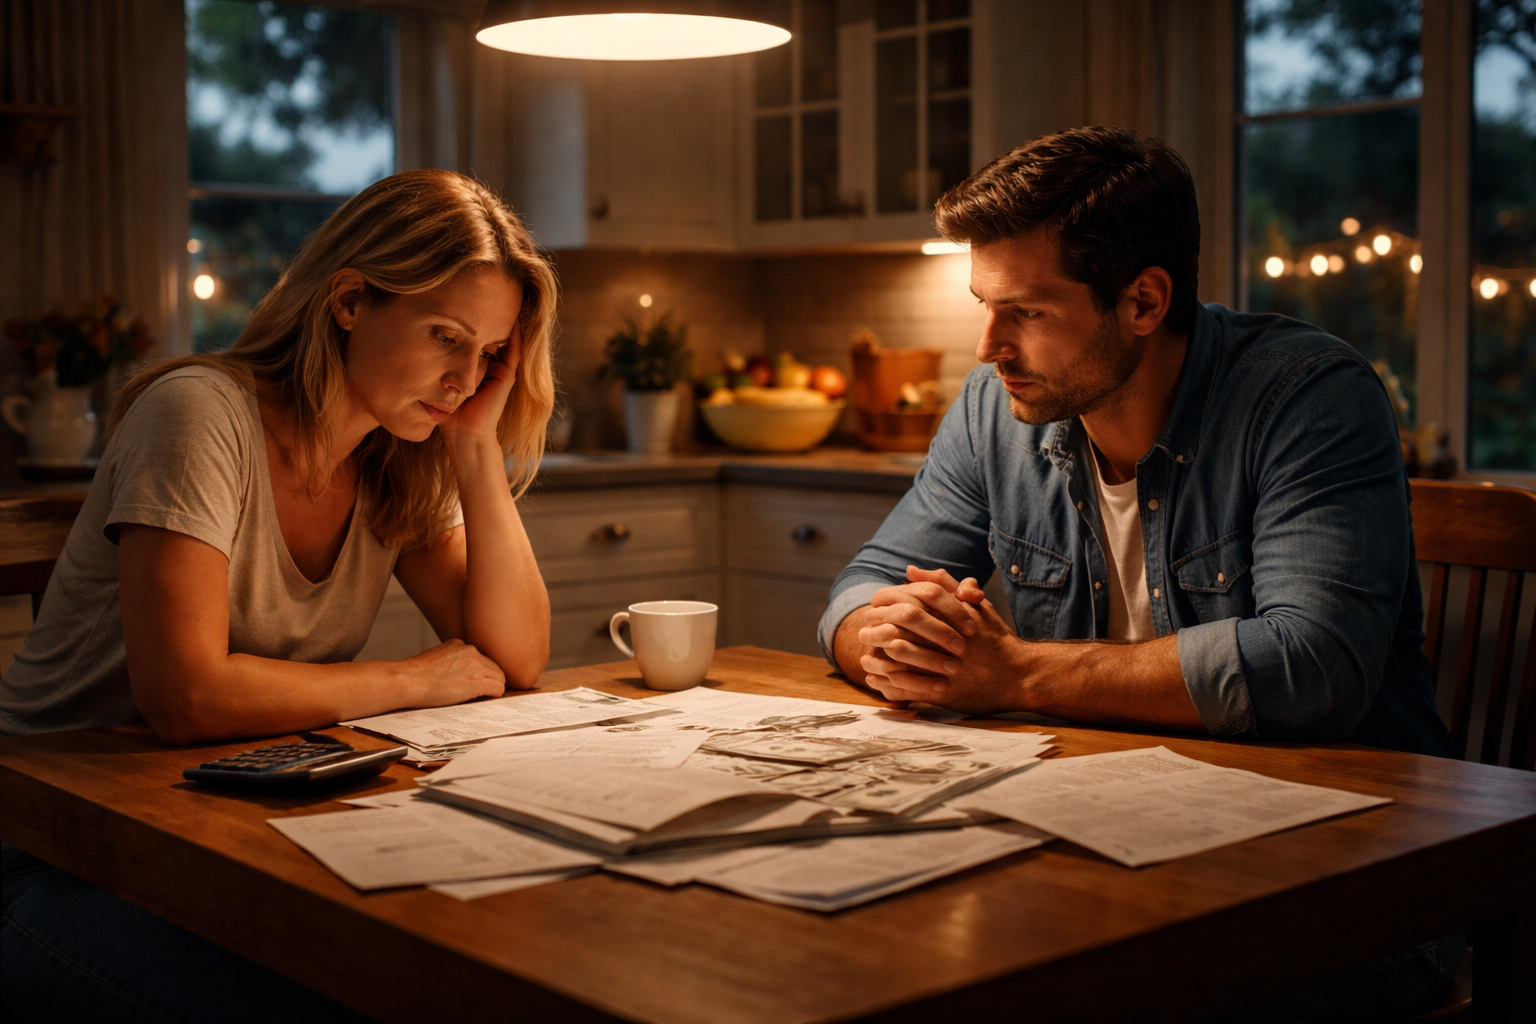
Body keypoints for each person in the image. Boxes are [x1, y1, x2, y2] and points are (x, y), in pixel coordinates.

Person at [819, 127, 1462, 1021]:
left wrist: (1015, 675)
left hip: (1359, 883)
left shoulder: (1307, 396)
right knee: (875, 955)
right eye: (984, 305)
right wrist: (886, 638)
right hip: (1111, 842)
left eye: (1027, 313)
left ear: (1145, 301)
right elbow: (866, 581)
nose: (986, 347)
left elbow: (1314, 668)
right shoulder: (994, 411)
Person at [2, 168, 557, 1021]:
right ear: (348, 301)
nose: (463, 378)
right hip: (53, 850)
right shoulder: (198, 414)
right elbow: (186, 696)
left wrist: (477, 446)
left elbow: (515, 659)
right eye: (446, 336)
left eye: (487, 354)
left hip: (211, 826)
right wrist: (417, 679)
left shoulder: (397, 453)